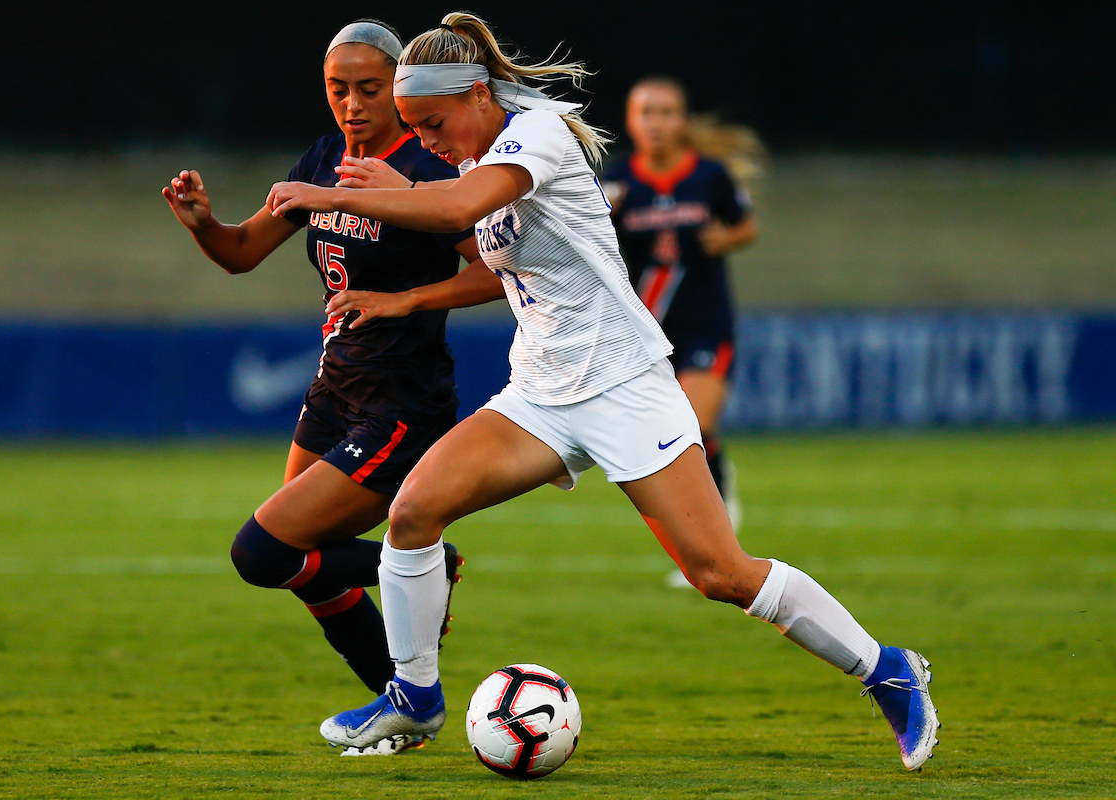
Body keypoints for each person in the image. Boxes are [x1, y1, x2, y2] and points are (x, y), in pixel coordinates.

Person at [265, 12, 940, 771]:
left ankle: (887, 669)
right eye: (414, 127)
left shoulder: (536, 135)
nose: (425, 140)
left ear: (479, 94)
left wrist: (336, 195)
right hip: (540, 391)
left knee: (718, 573)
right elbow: (478, 246)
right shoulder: (472, 156)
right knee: (414, 513)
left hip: (624, 385)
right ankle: (413, 697)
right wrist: (405, 294)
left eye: (432, 123)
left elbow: (453, 209)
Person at [161, 19, 502, 757]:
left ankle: (429, 566)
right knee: (305, 568)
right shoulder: (324, 158)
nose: (352, 104)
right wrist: (203, 224)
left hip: (402, 402)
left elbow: (493, 273)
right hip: (333, 389)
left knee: (263, 552)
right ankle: (404, 710)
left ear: (398, 90)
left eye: (369, 89)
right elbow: (242, 252)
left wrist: (405, 301)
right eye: (337, 89)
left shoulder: (426, 168)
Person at [603, 77, 761, 535]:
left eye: (666, 113)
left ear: (683, 121)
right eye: (646, 113)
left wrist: (727, 238)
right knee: (663, 439)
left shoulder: (709, 176)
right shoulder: (617, 180)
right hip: (647, 331)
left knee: (692, 425)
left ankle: (713, 528)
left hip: (705, 324)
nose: (656, 123)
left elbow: (745, 226)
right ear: (631, 121)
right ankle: (704, 516)